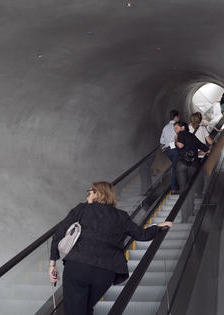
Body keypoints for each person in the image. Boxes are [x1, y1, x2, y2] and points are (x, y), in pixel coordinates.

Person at [49, 182, 173, 315]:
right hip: (106, 272)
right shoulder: (121, 216)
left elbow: (59, 234)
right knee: (86, 309)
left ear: (98, 193)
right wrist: (158, 227)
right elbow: (142, 235)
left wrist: (52, 264)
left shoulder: (82, 209)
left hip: (79, 266)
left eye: (89, 192)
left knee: (75, 310)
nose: (87, 197)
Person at [174, 121, 209, 223]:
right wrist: (196, 153)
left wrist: (176, 140)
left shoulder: (180, 134)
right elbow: (207, 150)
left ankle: (184, 217)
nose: (175, 130)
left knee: (183, 190)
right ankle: (192, 211)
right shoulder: (193, 137)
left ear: (183, 127)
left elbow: (180, 145)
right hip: (193, 165)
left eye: (176, 128)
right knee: (191, 189)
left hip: (182, 165)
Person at [159, 109, 180, 194]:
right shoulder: (176, 126)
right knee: (175, 168)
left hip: (168, 151)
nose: (179, 118)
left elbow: (161, 141)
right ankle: (174, 188)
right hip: (175, 149)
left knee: (176, 167)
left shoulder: (165, 127)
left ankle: (177, 186)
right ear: (175, 117)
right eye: (178, 117)